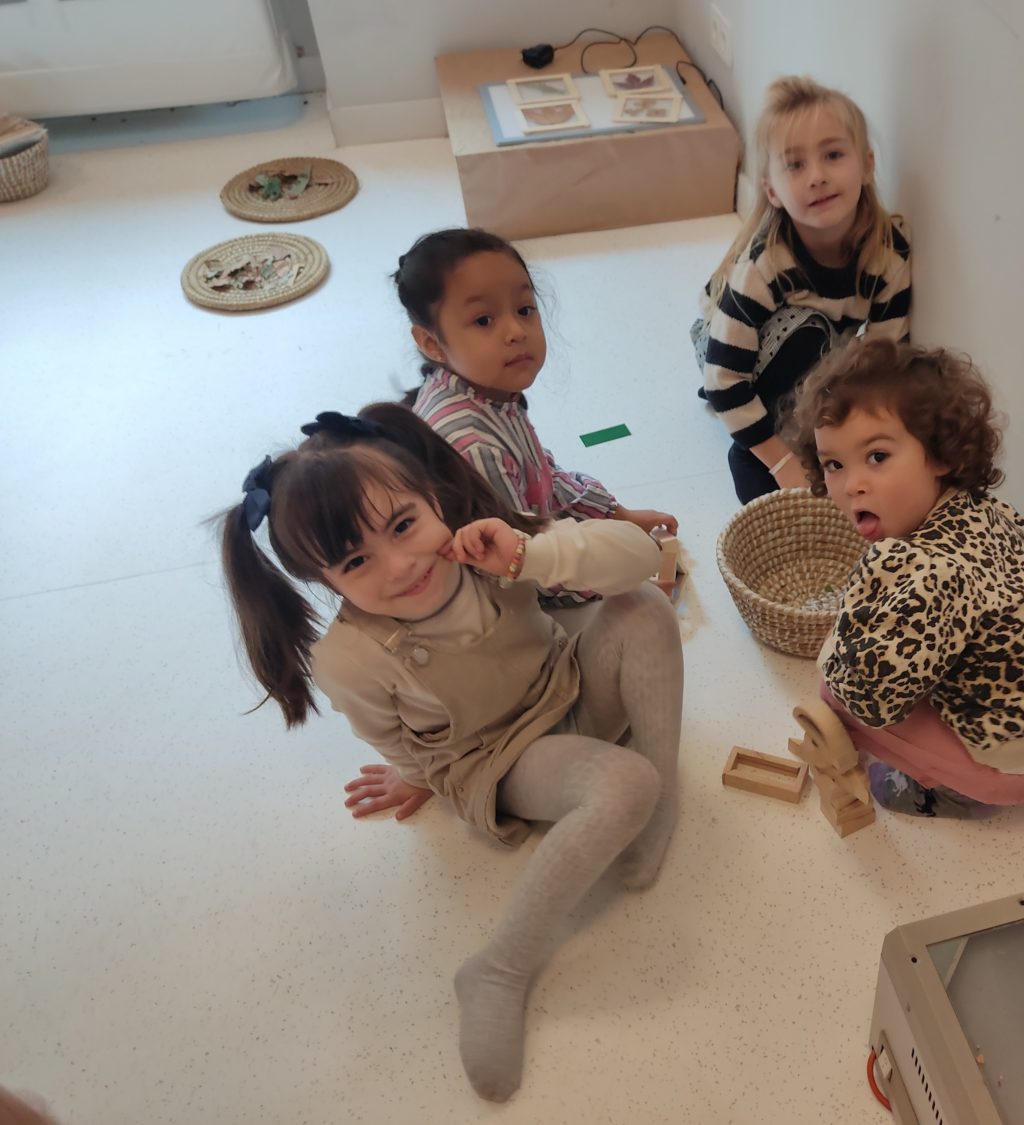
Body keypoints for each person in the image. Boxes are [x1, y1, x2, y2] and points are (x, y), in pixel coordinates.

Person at [218, 403, 682, 1100]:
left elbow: (642, 559)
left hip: (565, 685)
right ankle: (498, 968)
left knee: (643, 607)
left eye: (404, 525)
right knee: (623, 785)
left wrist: (531, 554)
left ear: (433, 498)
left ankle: (662, 795)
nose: (401, 565)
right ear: (325, 581)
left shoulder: (487, 547)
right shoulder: (351, 657)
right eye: (356, 561)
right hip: (499, 760)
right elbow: (387, 733)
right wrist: (418, 779)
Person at [785, 338, 1024, 818]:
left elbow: (867, 699)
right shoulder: (983, 510)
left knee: (835, 691)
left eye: (877, 457)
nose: (852, 485)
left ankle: (952, 793)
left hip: (1017, 768)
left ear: (940, 455)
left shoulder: (921, 568)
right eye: (834, 464)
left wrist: (840, 640)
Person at [396, 227, 677, 605]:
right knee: (646, 609)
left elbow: (540, 476)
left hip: (529, 549)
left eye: (524, 310)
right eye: (484, 320)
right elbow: (523, 569)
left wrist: (617, 514)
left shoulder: (487, 391)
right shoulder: (474, 447)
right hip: (516, 601)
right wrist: (623, 586)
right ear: (431, 343)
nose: (516, 331)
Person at [694, 76, 911, 503]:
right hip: (725, 352)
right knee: (807, 334)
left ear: (867, 165)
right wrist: (781, 462)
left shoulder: (889, 253)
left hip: (817, 350)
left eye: (833, 155)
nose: (817, 177)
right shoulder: (765, 266)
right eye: (795, 165)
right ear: (772, 191)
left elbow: (888, 361)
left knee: (846, 358)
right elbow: (723, 378)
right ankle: (757, 442)